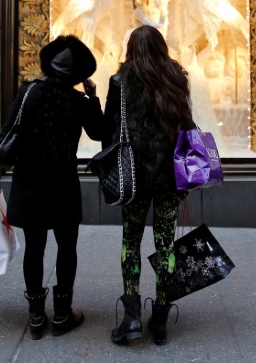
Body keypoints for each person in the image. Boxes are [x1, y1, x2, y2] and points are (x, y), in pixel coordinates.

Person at [0, 35, 105, 340]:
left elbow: (8, 131)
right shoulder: (78, 101)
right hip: (63, 183)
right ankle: (62, 315)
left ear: (48, 65)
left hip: (29, 184)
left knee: (34, 250)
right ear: (79, 75)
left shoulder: (28, 93)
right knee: (67, 249)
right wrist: (93, 97)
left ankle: (36, 317)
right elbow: (102, 132)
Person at [104, 25, 194, 346]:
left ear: (131, 49)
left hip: (134, 178)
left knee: (131, 241)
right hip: (170, 177)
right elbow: (187, 126)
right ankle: (160, 320)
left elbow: (107, 132)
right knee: (166, 245)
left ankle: (131, 318)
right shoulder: (176, 78)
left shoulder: (119, 83)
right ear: (161, 47)